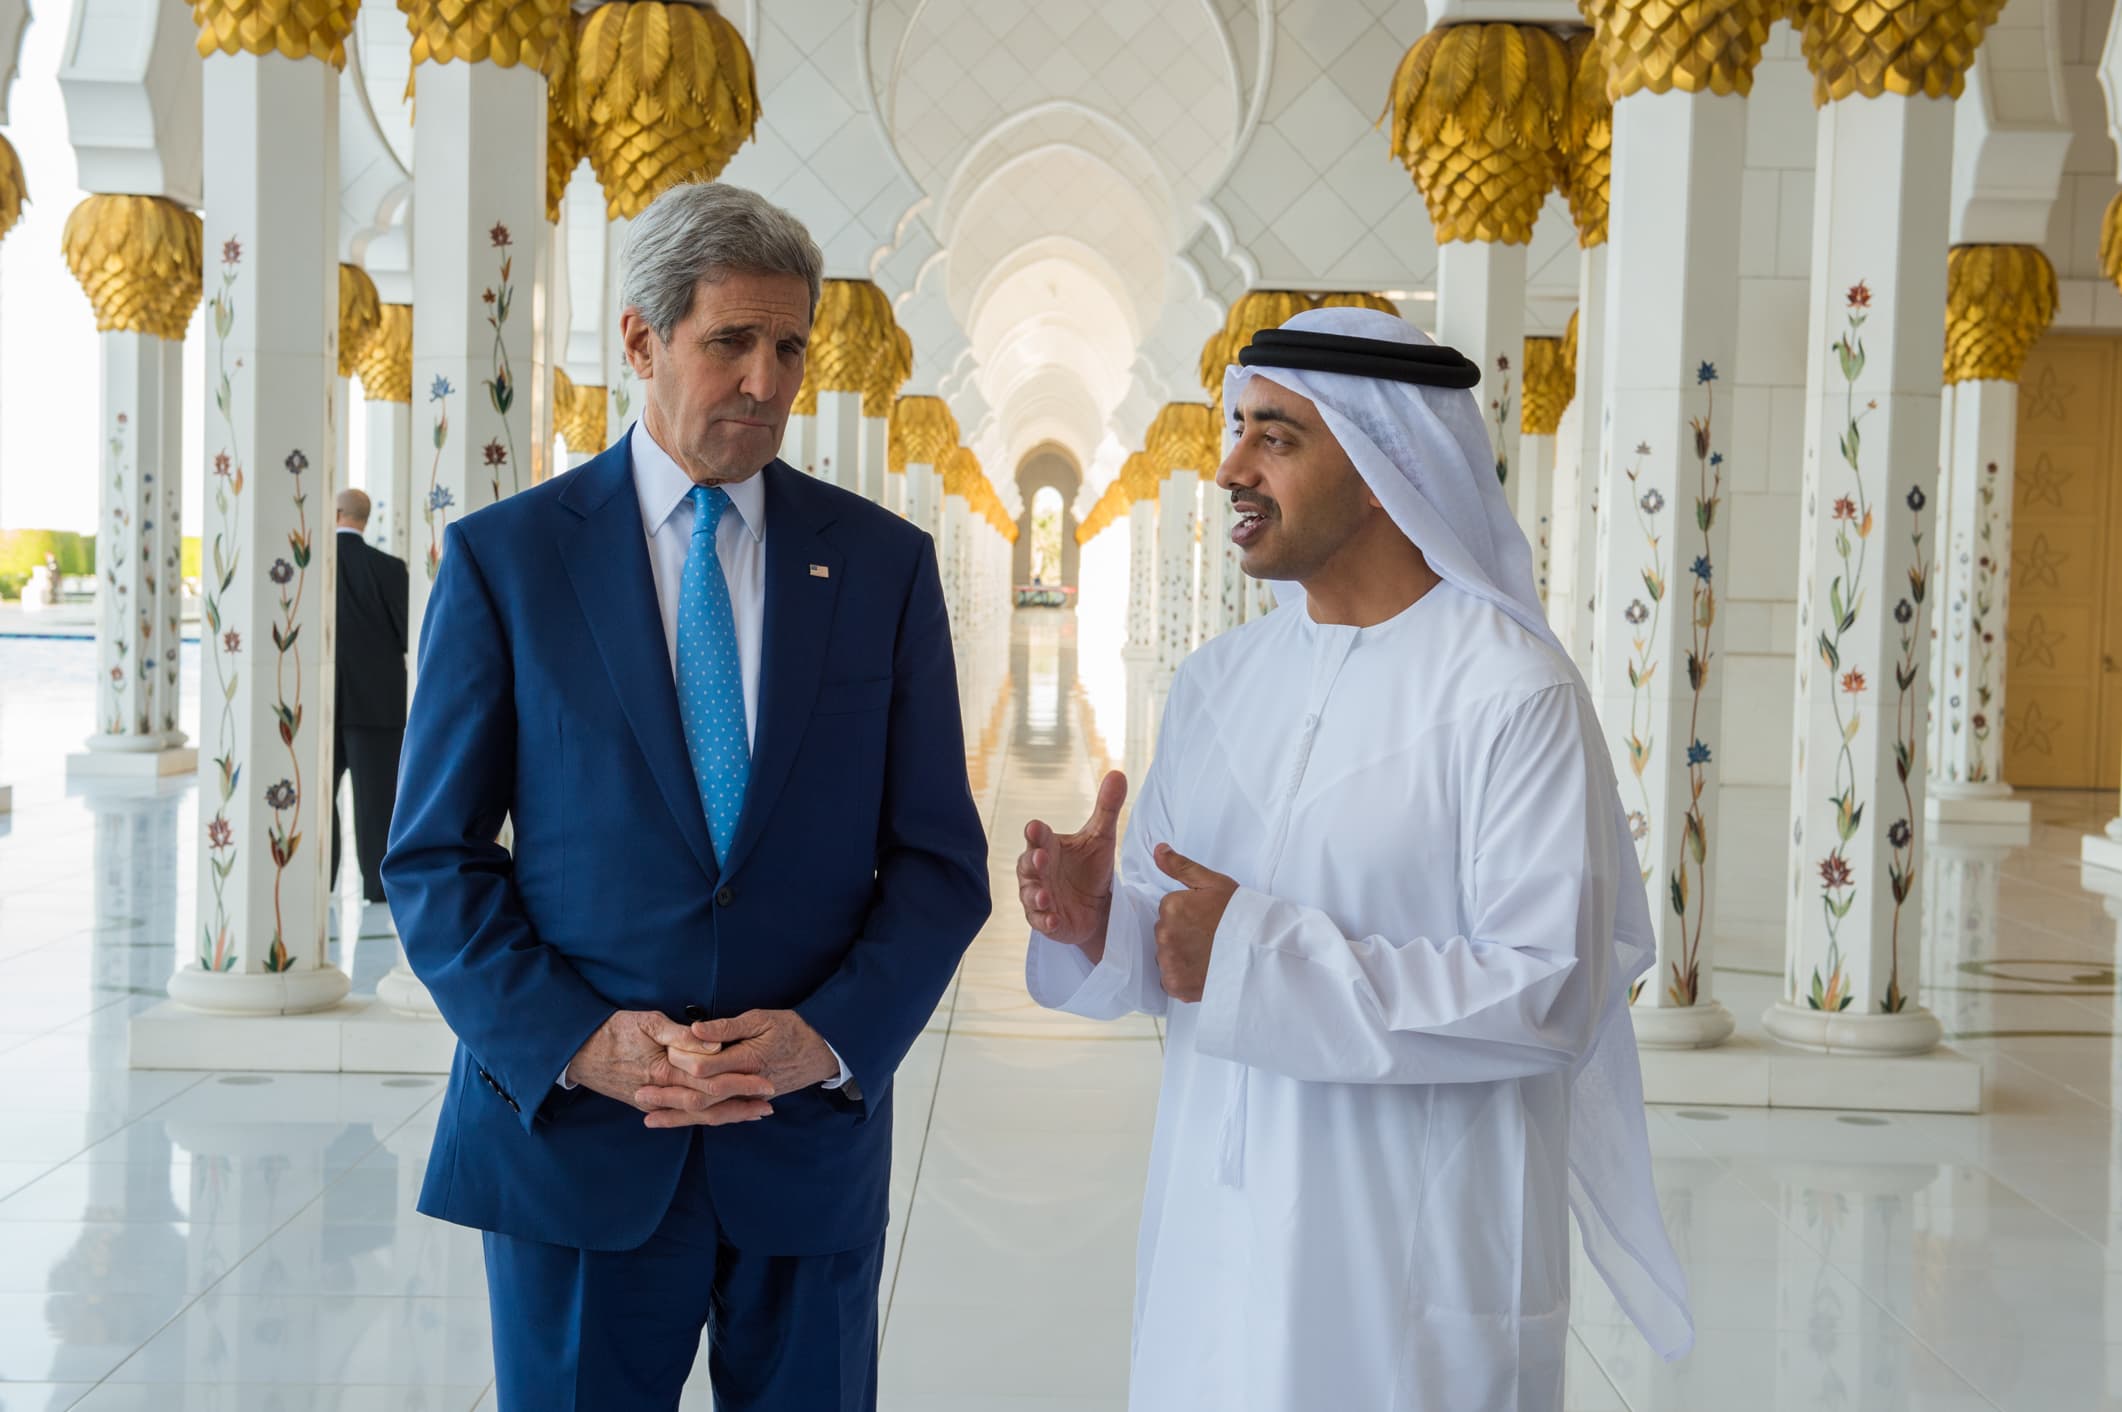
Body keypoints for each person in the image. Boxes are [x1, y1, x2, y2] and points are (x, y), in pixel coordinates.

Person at [382, 182, 990, 1412]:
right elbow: (435, 858)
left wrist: (826, 1037)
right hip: (581, 1141)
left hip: (804, 1137)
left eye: (789, 346)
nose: (766, 379)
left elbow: (936, 861)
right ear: (642, 341)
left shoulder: (879, 565)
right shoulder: (509, 561)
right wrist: (579, 1042)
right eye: (731, 341)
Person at [1017, 307, 1691, 1412]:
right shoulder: (1218, 681)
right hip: (1218, 1221)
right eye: (1237, 428)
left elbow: (1551, 986)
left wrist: (1249, 952)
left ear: (1386, 466)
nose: (1231, 465)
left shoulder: (1510, 692)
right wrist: (1107, 924)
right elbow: (1182, 940)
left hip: (1412, 1241)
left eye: (1275, 436)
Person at [329, 488, 408, 905]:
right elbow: (406, 634)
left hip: (320, 706)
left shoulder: (311, 569)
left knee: (318, 796)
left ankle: (318, 879)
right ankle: (378, 887)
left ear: (337, 512)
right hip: (378, 703)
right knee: (378, 799)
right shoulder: (390, 569)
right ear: (364, 517)